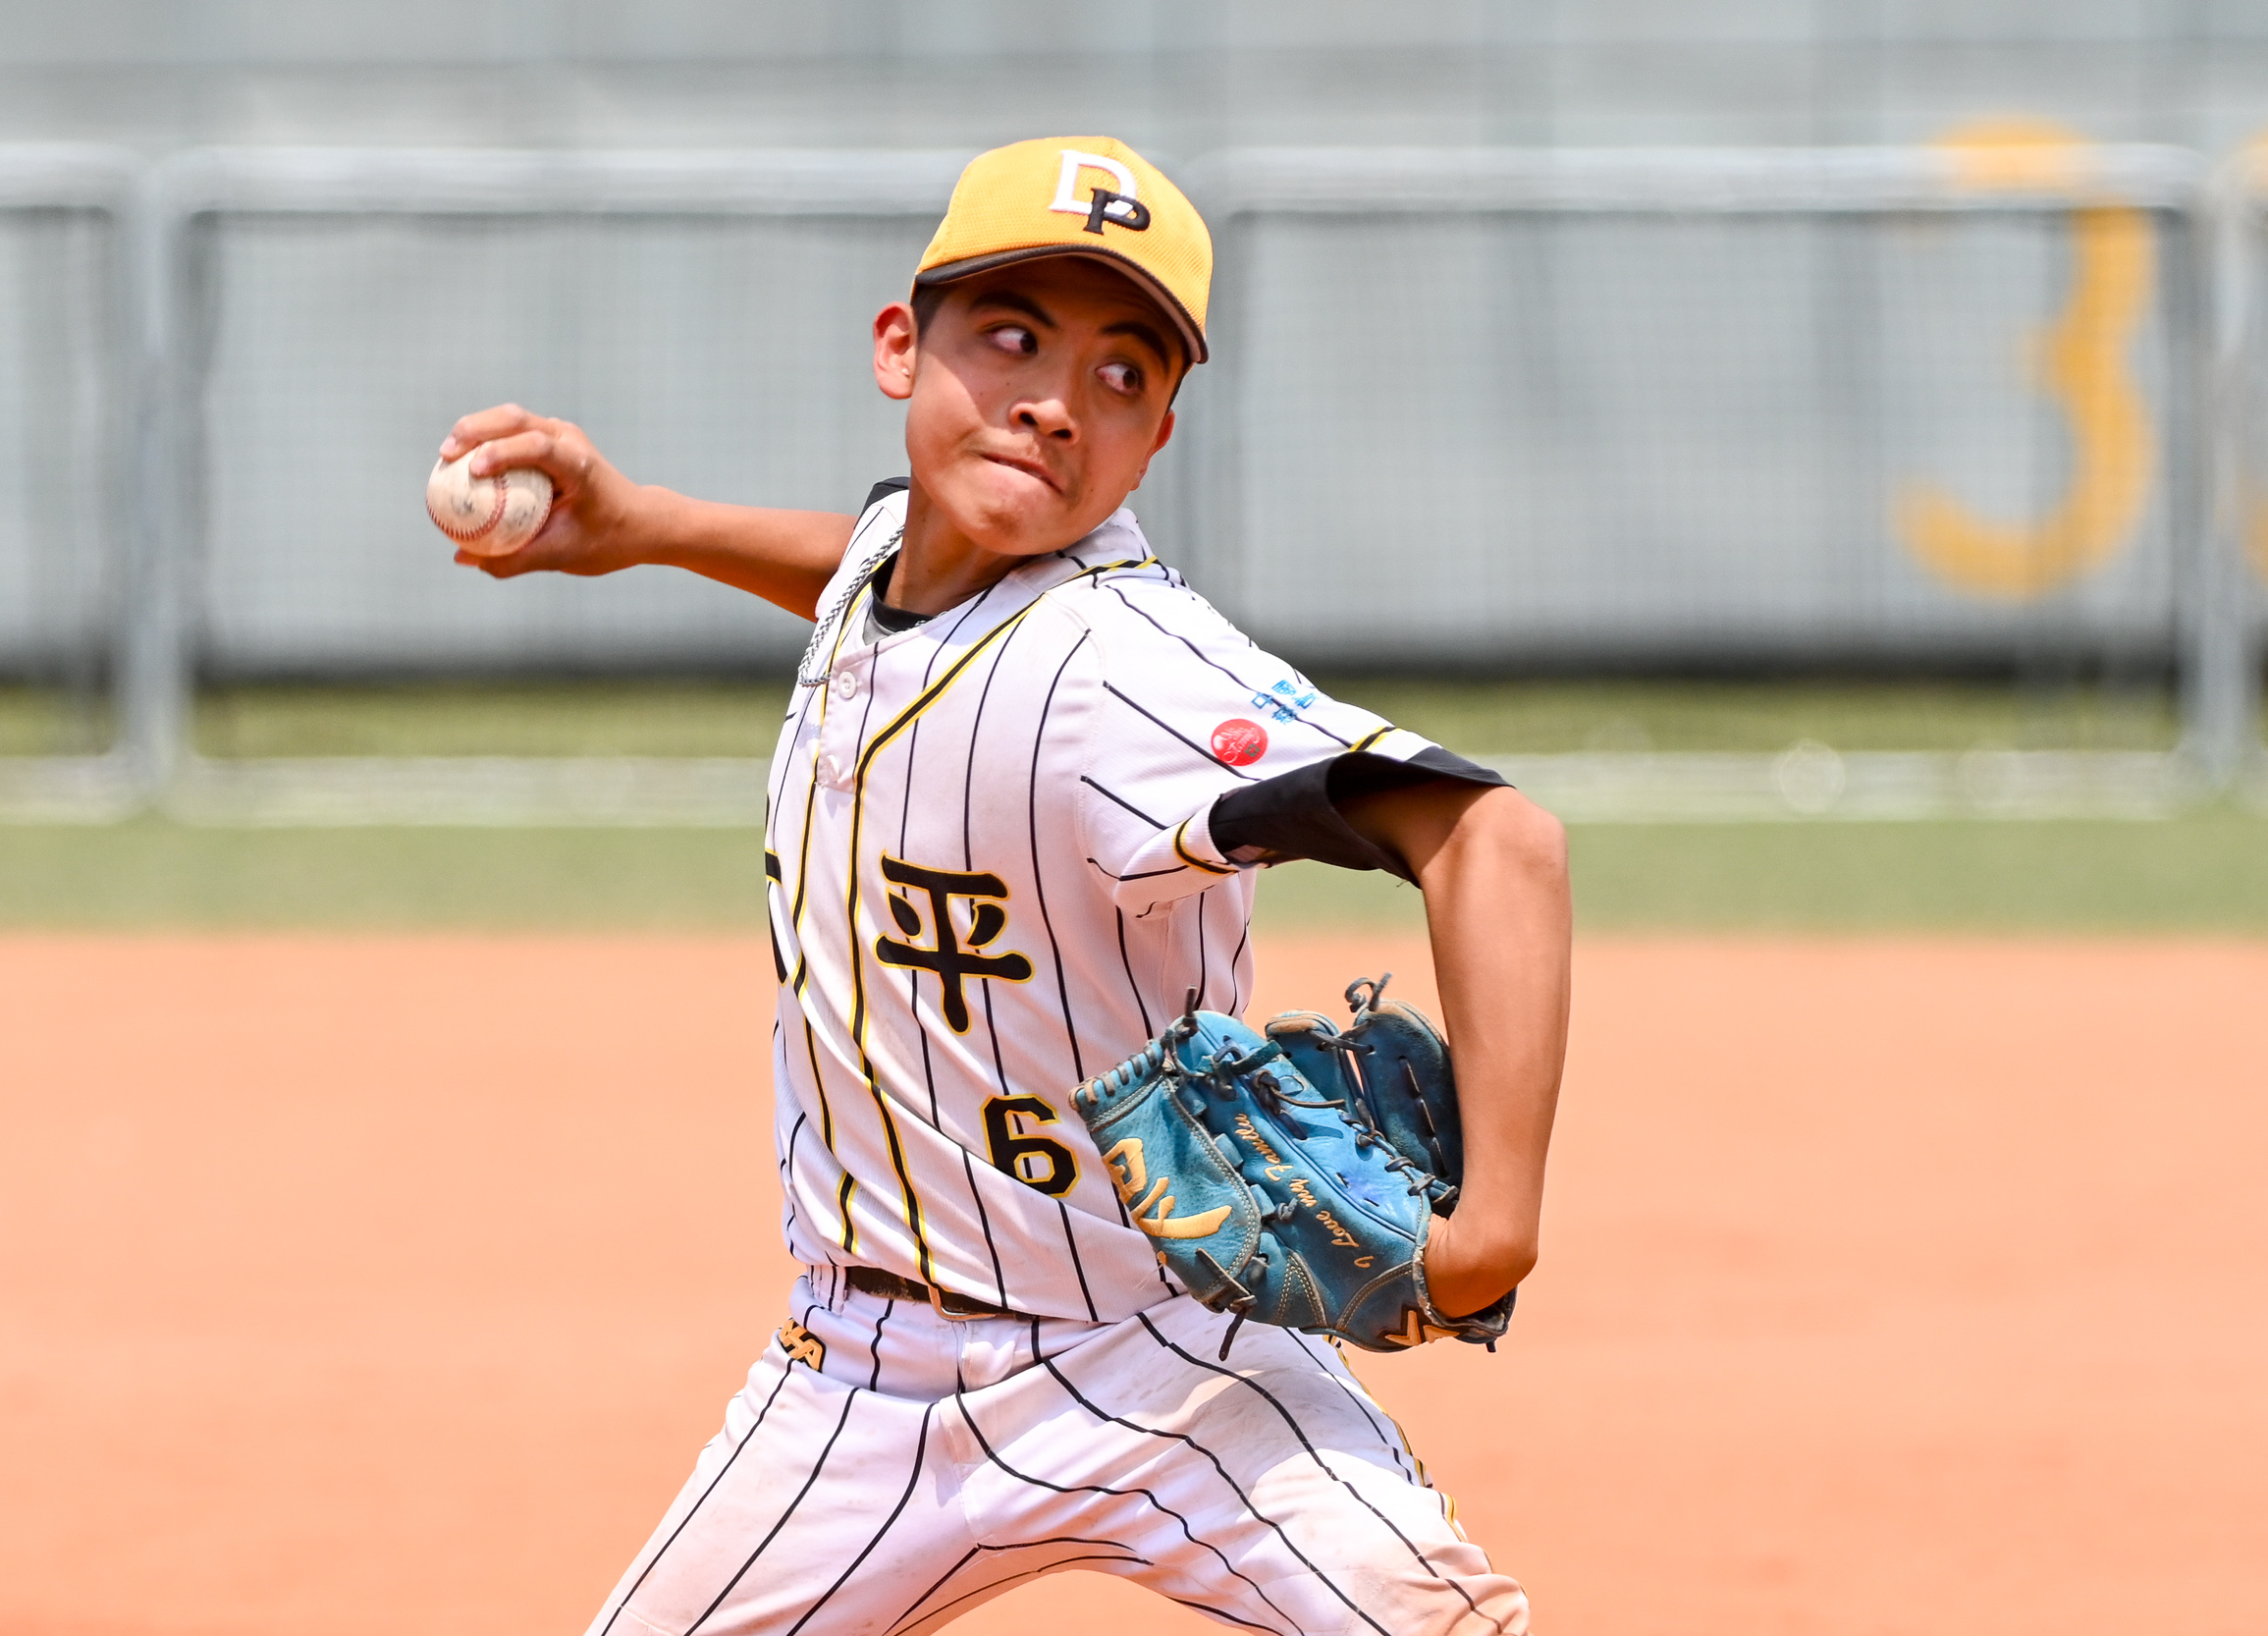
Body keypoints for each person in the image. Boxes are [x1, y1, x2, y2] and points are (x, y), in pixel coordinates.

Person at [440, 136, 1570, 1636]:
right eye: (1014, 337)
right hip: (857, 1389)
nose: (1054, 399)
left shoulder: (1122, 664)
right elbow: (864, 567)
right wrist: (642, 524)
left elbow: (1499, 839)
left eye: (1119, 373)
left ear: (1157, 436)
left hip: (1163, 1367)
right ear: (902, 347)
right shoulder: (901, 560)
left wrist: (1496, 1220)